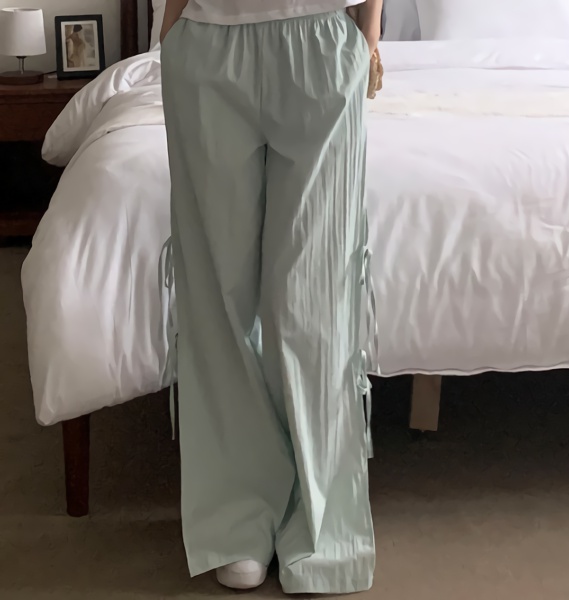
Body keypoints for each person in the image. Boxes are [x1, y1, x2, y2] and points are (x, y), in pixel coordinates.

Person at [159, 0, 382, 594]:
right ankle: (236, 517)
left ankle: (320, 519)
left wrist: (369, 33)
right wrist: (172, 27)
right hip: (207, 38)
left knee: (314, 298)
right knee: (217, 296)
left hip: (323, 38)